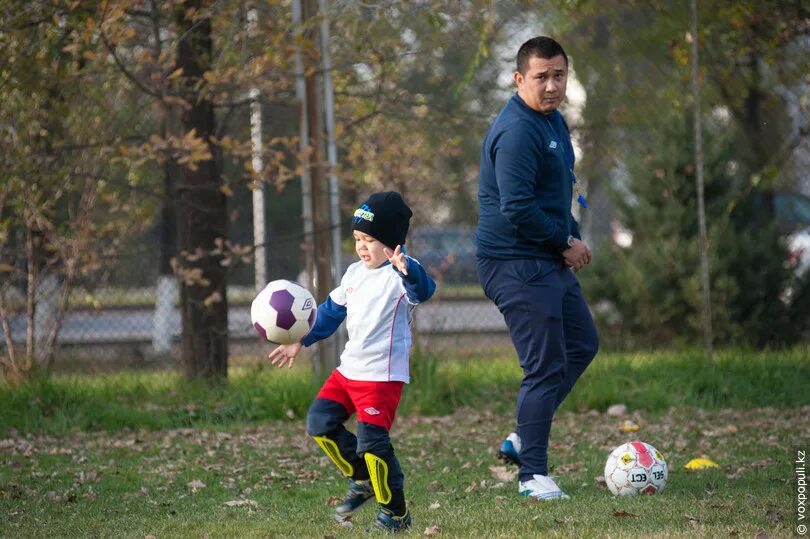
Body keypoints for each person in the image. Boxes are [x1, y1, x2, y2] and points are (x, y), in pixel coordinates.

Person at [475, 36, 599, 500]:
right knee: (544, 366)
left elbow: (557, 192)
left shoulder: (553, 121)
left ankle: (524, 435)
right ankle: (532, 476)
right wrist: (566, 242)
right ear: (519, 79)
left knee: (583, 344)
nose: (551, 85)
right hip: (515, 262)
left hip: (544, 258)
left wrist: (569, 234)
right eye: (541, 76)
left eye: (559, 75)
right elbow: (518, 209)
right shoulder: (517, 132)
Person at [269, 191, 436, 531]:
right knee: (319, 422)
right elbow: (330, 314)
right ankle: (360, 478)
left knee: (374, 444)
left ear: (390, 242)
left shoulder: (402, 273)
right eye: (358, 239)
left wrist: (408, 272)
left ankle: (396, 514)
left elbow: (424, 290)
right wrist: (300, 340)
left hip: (381, 377)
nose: (362, 247)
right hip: (348, 372)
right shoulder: (354, 274)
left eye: (370, 240)